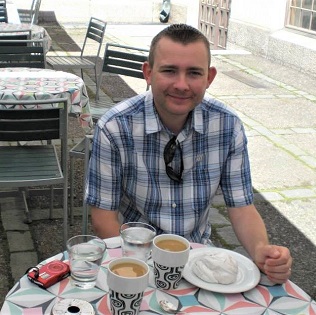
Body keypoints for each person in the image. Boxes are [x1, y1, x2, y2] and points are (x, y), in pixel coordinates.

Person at [85, 24, 292, 284]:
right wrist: (138, 272)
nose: (181, 85)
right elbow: (104, 217)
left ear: (209, 77)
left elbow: (241, 207)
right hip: (137, 257)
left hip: (198, 258)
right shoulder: (114, 127)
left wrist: (261, 249)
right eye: (169, 70)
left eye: (194, 73)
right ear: (148, 73)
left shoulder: (227, 125)